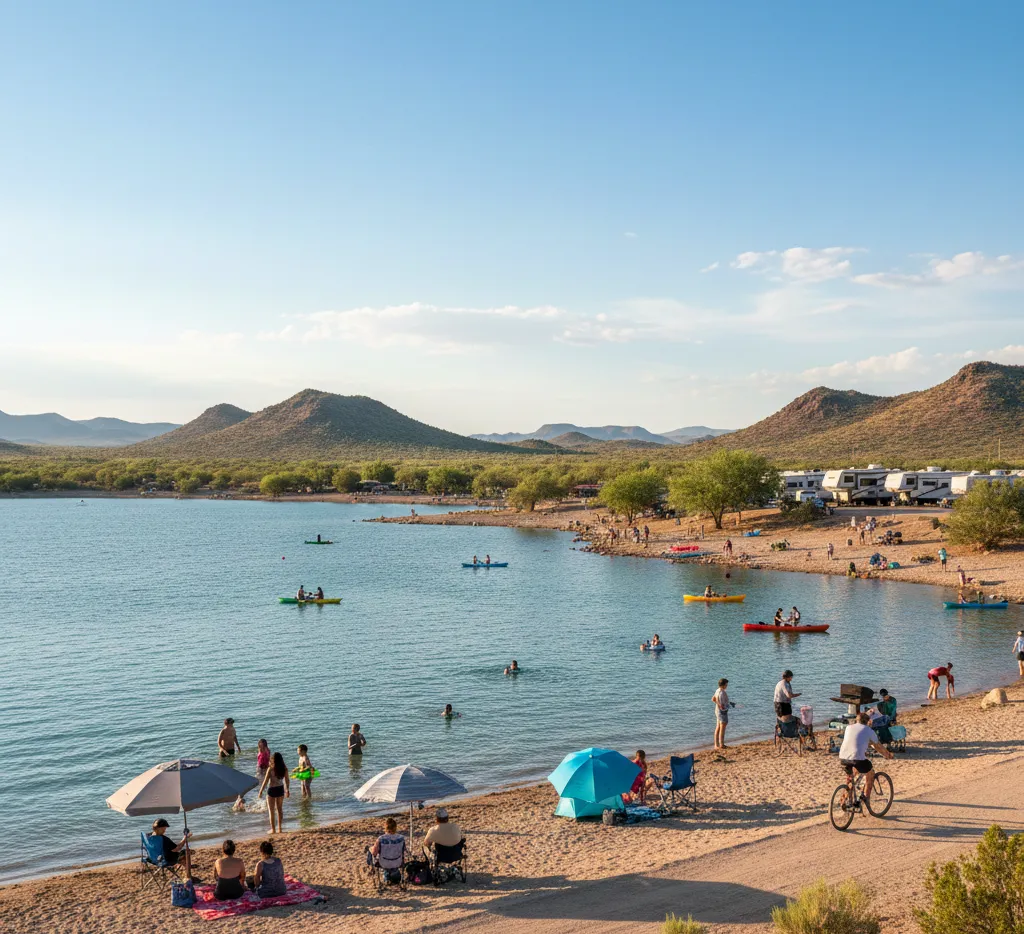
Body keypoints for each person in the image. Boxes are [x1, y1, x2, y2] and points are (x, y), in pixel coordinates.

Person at [838, 711, 894, 805]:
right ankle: (866, 797)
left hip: (843, 758)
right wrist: (887, 755)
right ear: (868, 722)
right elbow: (878, 746)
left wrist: (867, 744)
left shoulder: (849, 727)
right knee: (870, 773)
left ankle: (845, 799)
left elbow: (856, 740)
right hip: (857, 759)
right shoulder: (869, 730)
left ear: (857, 720)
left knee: (852, 778)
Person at [258, 752, 290, 833]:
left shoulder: (270, 769)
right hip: (280, 789)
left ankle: (273, 829)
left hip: (272, 790)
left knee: (271, 810)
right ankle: (280, 828)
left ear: (273, 760)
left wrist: (261, 791)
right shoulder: (284, 769)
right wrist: (287, 790)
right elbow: (287, 780)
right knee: (279, 809)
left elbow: (265, 781)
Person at [713, 677, 732, 749]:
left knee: (718, 727)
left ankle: (716, 745)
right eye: (726, 685)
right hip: (722, 712)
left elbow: (713, 699)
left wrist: (718, 705)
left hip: (717, 711)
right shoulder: (722, 692)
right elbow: (723, 705)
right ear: (723, 685)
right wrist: (723, 707)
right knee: (722, 728)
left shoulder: (717, 690)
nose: (727, 686)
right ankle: (722, 744)